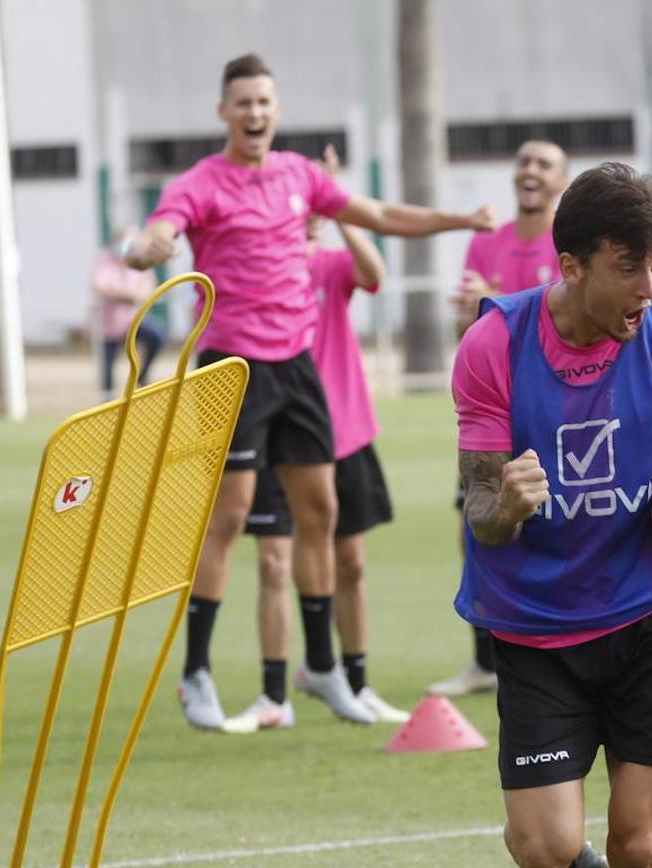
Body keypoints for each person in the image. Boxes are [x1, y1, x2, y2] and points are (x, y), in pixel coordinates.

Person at [126, 53, 494, 731]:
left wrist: (458, 221)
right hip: (232, 367)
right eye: (243, 104)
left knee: (320, 512)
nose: (255, 114)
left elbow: (379, 213)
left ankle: (323, 668)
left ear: (277, 110)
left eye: (264, 102)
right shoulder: (202, 182)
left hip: (298, 368)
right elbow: (162, 228)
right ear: (224, 113)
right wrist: (145, 248)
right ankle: (196, 674)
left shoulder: (299, 175)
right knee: (230, 518)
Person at [453, 162, 652, 868]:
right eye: (627, 268)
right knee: (544, 850)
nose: (648, 288)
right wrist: (504, 506)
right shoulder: (494, 344)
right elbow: (480, 512)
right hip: (539, 629)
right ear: (570, 267)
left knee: (638, 842)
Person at [226, 146, 411, 731]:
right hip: (279, 434)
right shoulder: (257, 271)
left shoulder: (330, 263)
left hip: (345, 430)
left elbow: (375, 274)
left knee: (351, 562)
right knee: (274, 564)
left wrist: (340, 215)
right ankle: (274, 694)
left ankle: (354, 681)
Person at [431, 138, 567, 698]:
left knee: (558, 523)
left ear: (563, 180)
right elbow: (469, 329)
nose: (529, 172)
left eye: (543, 165)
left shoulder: (568, 246)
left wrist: (499, 299)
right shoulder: (487, 242)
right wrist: (472, 313)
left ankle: (560, 642)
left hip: (553, 409)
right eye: (523, 164)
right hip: (493, 412)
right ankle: (486, 659)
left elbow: (566, 322)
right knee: (477, 521)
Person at [94, 225, 163, 394]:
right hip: (111, 322)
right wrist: (128, 294)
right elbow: (101, 286)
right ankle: (107, 396)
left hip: (135, 319)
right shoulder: (105, 259)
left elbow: (148, 287)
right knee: (108, 362)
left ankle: (142, 379)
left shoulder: (139, 258)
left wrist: (132, 294)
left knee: (156, 336)